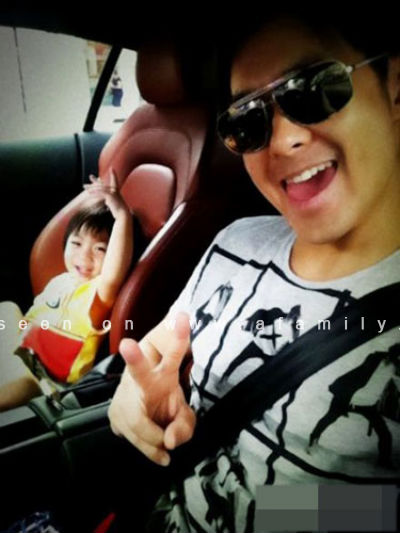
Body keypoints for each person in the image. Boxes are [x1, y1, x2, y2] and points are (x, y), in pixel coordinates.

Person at [108, 9, 400, 532]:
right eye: (247, 119)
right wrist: (132, 399)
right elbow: (155, 349)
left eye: (314, 88)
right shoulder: (234, 242)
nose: (283, 140)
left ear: (395, 87)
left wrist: (272, 511)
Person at [0, 170, 133, 412]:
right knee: (7, 308)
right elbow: (31, 320)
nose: (84, 256)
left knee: (22, 383)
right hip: (23, 354)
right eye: (77, 243)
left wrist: (122, 216)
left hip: (44, 383)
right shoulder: (62, 281)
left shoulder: (97, 296)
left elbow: (113, 275)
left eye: (100, 249)